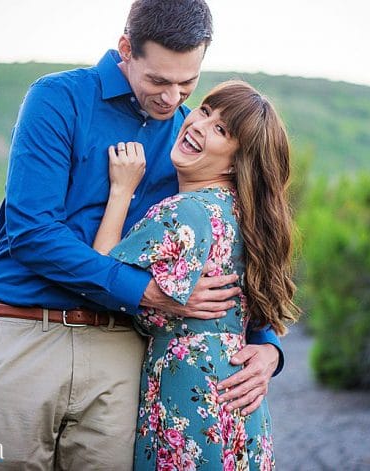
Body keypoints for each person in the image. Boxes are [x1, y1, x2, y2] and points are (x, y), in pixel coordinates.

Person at [0, 1, 284, 468]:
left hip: (122, 353)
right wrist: (149, 292)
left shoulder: (188, 141)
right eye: (158, 81)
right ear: (125, 50)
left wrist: (267, 346)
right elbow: (32, 233)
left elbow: (236, 240)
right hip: (26, 333)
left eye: (187, 83)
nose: (173, 99)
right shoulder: (59, 99)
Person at [95, 80, 300, 470]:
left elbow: (102, 271)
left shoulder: (184, 213)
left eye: (221, 130)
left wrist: (121, 190)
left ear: (235, 162)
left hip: (187, 397)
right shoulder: (247, 219)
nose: (199, 125)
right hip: (240, 402)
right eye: (205, 111)